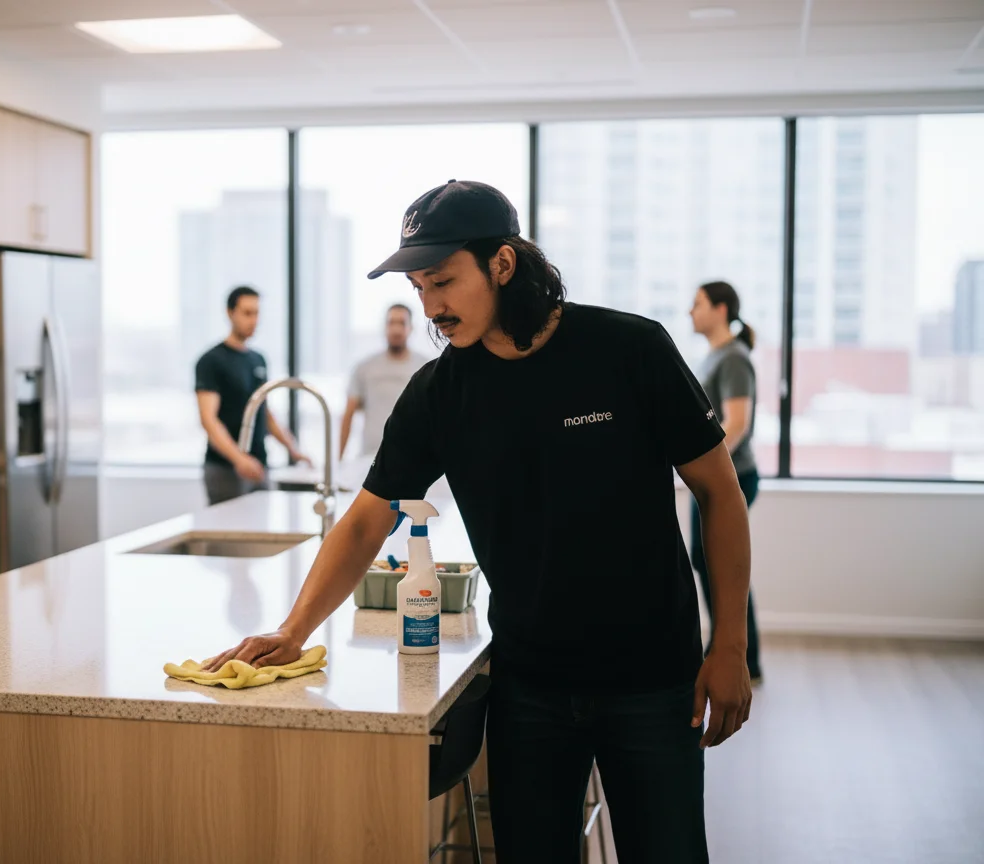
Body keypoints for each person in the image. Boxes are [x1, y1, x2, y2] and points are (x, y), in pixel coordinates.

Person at [205, 181, 753, 863]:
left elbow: (720, 492)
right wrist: (293, 630)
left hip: (651, 676)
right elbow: (364, 523)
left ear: (502, 263)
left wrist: (729, 643)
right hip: (531, 685)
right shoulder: (440, 393)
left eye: (442, 282)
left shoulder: (629, 349)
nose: (429, 307)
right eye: (419, 287)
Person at [689, 281, 763, 684]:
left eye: (697, 304)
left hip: (733, 477)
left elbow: (737, 423)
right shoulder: (714, 357)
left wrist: (710, 468)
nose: (690, 311)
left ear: (720, 310)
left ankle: (739, 655)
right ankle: (726, 647)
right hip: (713, 477)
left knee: (721, 563)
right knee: (705, 560)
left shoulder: (733, 358)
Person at [195, 286, 309, 506]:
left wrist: (293, 450)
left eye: (256, 313)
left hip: (260, 466)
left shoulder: (258, 360)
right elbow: (208, 419)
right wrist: (239, 459)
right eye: (247, 313)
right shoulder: (211, 361)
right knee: (228, 536)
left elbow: (265, 412)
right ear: (230, 313)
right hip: (224, 469)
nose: (254, 320)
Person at [338, 304, 430, 460]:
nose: (396, 329)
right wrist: (338, 461)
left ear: (411, 328)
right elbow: (348, 414)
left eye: (401, 323)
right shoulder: (364, 367)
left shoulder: (425, 368)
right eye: (391, 323)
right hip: (370, 458)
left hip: (414, 459)